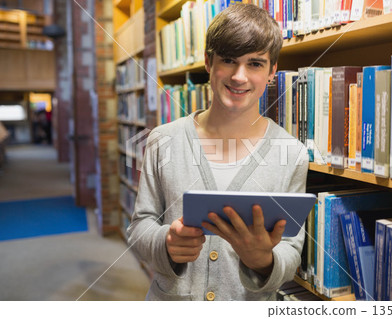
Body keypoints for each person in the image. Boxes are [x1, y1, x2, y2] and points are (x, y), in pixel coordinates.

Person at [127, 3, 309, 301]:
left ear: (272, 71)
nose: (239, 76)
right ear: (208, 63)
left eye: (255, 63)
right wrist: (166, 243)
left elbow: (291, 250)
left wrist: (263, 261)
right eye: (228, 60)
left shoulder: (293, 154)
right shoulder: (162, 140)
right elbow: (139, 227)